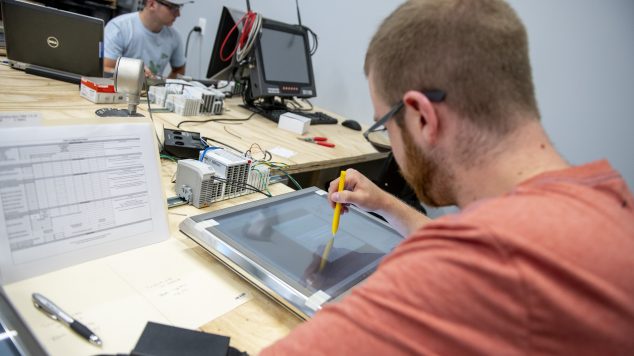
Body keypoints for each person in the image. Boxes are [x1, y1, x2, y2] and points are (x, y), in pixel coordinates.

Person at [261, 0, 634, 354]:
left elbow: (472, 260)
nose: (389, 140)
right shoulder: (604, 196)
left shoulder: (484, 264)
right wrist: (386, 203)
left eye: (385, 126)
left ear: (423, 117)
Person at [104, 0, 187, 78]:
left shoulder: (174, 36)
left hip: (152, 92)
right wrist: (132, 72)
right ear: (152, 4)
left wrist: (165, 88)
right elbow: (105, 68)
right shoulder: (119, 27)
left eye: (180, 7)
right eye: (173, 7)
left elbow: (179, 70)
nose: (178, 14)